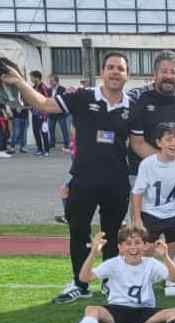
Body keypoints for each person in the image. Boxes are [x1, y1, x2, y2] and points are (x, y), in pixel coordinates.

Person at [2, 52, 132, 304]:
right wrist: (19, 82)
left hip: (116, 180)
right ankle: (80, 284)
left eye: (120, 68)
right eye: (111, 67)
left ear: (127, 75)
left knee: (114, 233)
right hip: (83, 179)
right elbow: (43, 104)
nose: (116, 72)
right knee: (79, 231)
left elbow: (137, 142)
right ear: (102, 72)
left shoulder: (132, 105)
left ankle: (110, 282)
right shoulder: (82, 97)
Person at [131, 122, 175, 284]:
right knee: (145, 250)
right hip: (151, 213)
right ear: (159, 142)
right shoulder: (148, 164)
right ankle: (139, 279)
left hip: (174, 214)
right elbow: (137, 193)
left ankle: (172, 279)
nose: (174, 144)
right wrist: (137, 219)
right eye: (169, 140)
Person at [128, 50, 175, 193]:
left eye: (173, 72)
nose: (169, 76)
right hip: (142, 173)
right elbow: (137, 143)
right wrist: (168, 161)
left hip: (174, 174)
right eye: (164, 71)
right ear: (155, 75)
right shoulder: (139, 97)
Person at [29, 71, 50, 157]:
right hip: (34, 113)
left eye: (31, 77)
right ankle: (39, 149)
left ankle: (46, 150)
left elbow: (47, 99)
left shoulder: (43, 87)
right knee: (36, 131)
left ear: (37, 77)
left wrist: (45, 112)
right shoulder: (33, 87)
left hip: (42, 113)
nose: (31, 79)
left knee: (44, 131)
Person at [47, 74, 70, 151]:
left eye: (51, 81)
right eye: (49, 81)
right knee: (51, 129)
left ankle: (66, 144)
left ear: (56, 81)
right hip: (51, 113)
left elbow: (64, 100)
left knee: (64, 130)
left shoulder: (62, 89)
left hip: (61, 113)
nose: (50, 82)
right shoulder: (48, 90)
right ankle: (52, 143)